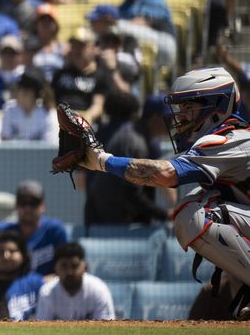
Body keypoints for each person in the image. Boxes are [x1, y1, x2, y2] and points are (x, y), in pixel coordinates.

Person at [79, 66, 250, 318]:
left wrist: (102, 161)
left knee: (192, 212)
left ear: (217, 107)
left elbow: (166, 174)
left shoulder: (231, 138)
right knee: (202, 200)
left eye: (190, 107)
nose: (181, 117)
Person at [84, 92, 173, 225]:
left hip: (108, 217)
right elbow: (130, 193)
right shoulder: (135, 142)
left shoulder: (138, 137)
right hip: (109, 223)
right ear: (155, 118)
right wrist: (163, 214)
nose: (173, 123)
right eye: (169, 118)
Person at [0, 180, 68, 278]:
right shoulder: (2, 232)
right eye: (23, 203)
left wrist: (44, 282)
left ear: (42, 205)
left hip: (47, 289)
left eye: (33, 203)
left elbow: (67, 267)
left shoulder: (55, 231)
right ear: (16, 205)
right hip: (10, 289)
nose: (27, 208)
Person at [35, 242, 115, 321]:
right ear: (55, 268)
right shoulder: (47, 292)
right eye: (64, 266)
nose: (69, 272)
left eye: (74, 266)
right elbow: (42, 331)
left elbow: (107, 328)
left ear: (85, 267)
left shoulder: (98, 290)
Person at [1, 69, 57, 143]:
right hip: (13, 154)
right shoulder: (9, 109)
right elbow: (5, 142)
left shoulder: (49, 114)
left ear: (30, 94)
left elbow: (49, 147)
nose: (16, 93)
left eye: (20, 90)